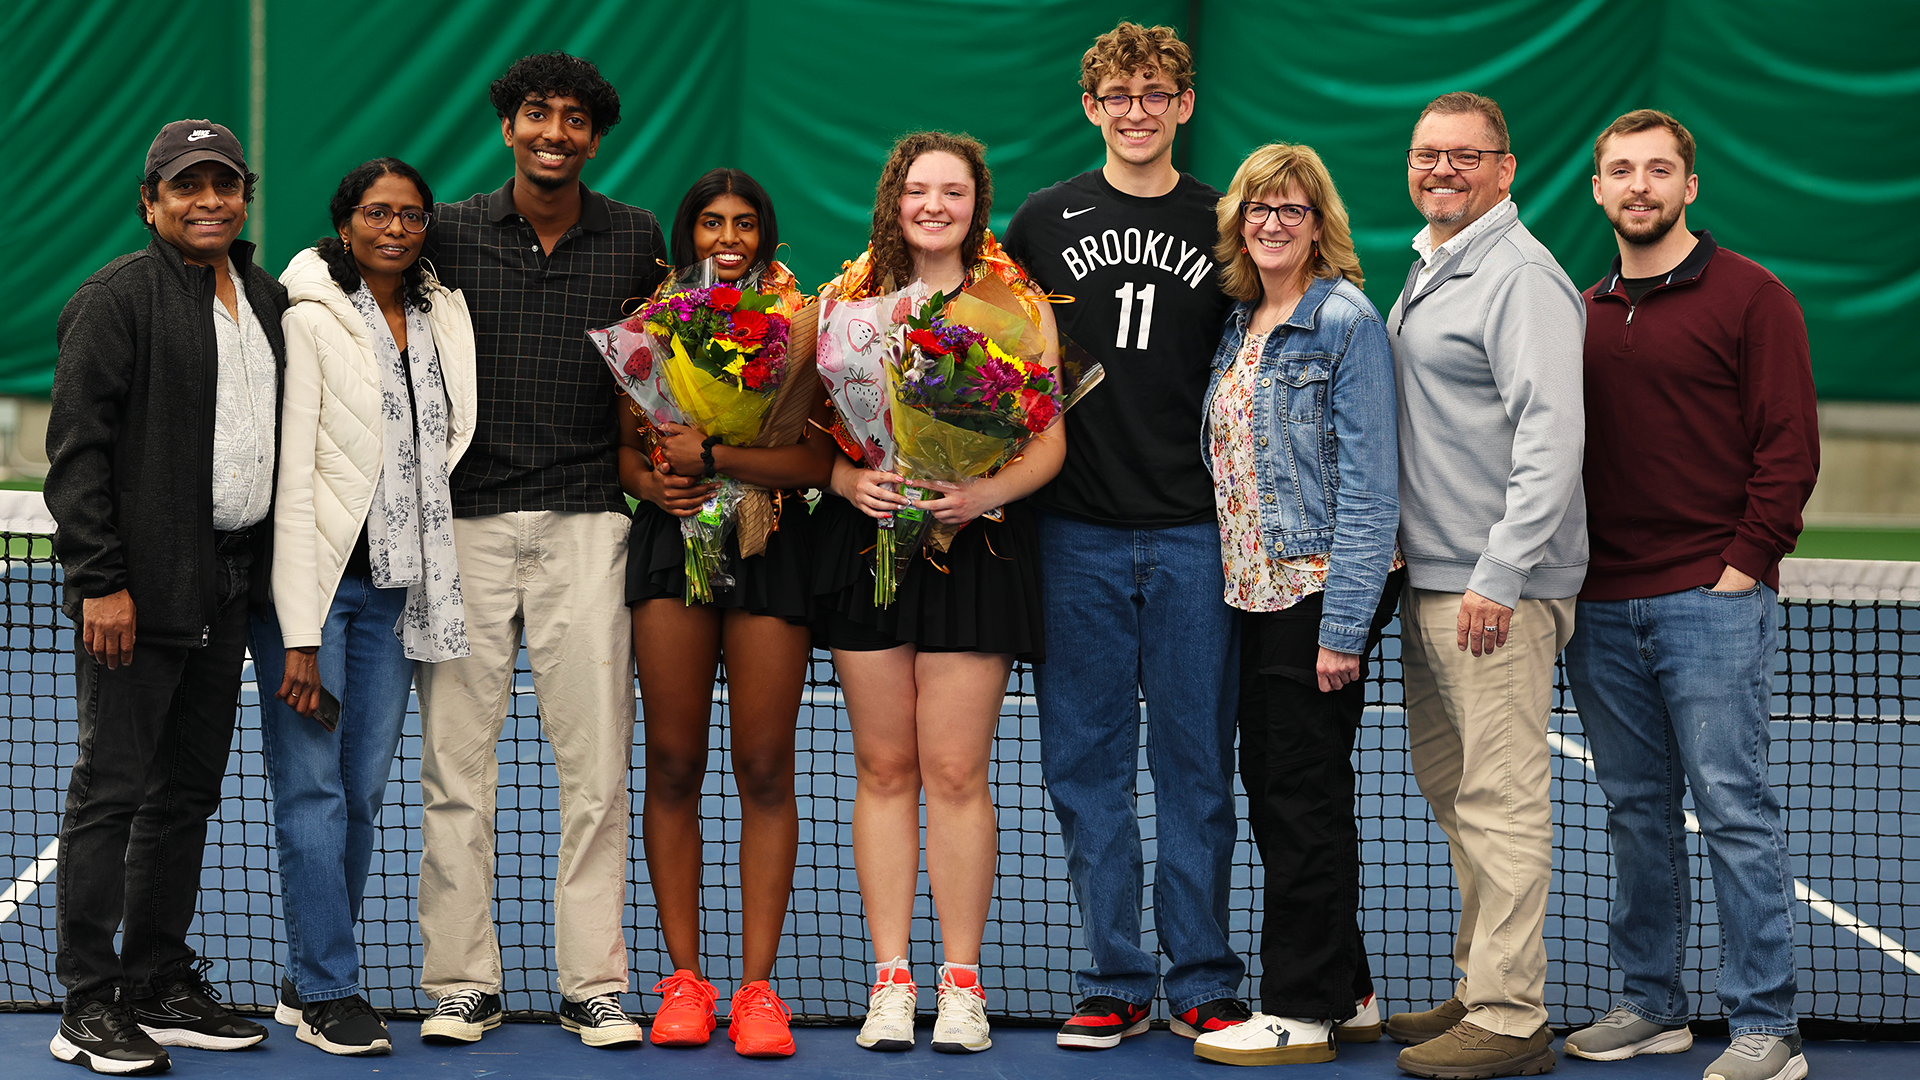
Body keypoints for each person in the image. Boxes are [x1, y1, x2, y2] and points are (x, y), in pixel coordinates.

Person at [412, 51, 667, 1048]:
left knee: (597, 769)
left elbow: (660, 377)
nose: (553, 132)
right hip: (464, 531)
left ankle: (594, 982)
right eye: (535, 114)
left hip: (590, 526)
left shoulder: (636, 238)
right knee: (454, 770)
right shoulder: (449, 233)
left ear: (594, 137)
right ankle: (462, 983)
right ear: (508, 126)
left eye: (573, 119)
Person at [1000, 21, 1246, 1049]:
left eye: (1155, 94)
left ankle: (1202, 975)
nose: (1136, 111)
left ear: (1184, 105)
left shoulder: (1227, 219)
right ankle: (1112, 975)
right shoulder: (1043, 220)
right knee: (1084, 769)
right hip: (1076, 539)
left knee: (1198, 767)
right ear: (1091, 108)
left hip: (1199, 537)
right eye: (1117, 96)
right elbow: (998, 361)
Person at [1561, 110, 1817, 1080]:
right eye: (1620, 171)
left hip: (1711, 600)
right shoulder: (1578, 312)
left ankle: (1767, 1026)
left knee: (1735, 811)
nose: (1639, 186)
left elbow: (1789, 448)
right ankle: (1651, 1005)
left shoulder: (1755, 298)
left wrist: (1741, 567)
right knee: (1634, 812)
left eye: (1658, 171)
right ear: (1596, 189)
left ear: (1688, 187)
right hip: (1599, 609)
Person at [815, 130, 1064, 1056]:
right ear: (894, 197)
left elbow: (1047, 442)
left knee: (957, 773)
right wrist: (847, 485)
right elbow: (812, 433)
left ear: (976, 203)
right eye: (918, 190)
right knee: (882, 770)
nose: (934, 206)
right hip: (866, 548)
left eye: (952, 192)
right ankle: (890, 982)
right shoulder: (843, 303)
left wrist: (979, 491)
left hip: (977, 551)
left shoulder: (1016, 304)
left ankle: (962, 985)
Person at [44, 118, 283, 1074]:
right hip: (136, 595)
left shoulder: (263, 300)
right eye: (188, 186)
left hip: (228, 588)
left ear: (244, 197)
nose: (209, 200)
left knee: (186, 797)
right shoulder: (115, 298)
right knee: (111, 795)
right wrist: (101, 584)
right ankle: (86, 1004)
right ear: (152, 202)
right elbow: (77, 457)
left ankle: (155, 980)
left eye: (224, 183)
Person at [1383, 92, 1587, 1080]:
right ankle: (1479, 982)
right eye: (1430, 154)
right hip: (1435, 581)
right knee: (1456, 792)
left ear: (1506, 169)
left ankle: (1511, 1017)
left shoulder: (1519, 277)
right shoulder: (1436, 267)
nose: (1444, 169)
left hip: (1491, 591)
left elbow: (1552, 435)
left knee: (1501, 800)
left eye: (1467, 156)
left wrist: (1500, 572)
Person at [253, 158, 477, 1056]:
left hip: (399, 585)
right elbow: (295, 482)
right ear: (344, 223)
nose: (396, 228)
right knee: (309, 785)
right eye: (377, 213)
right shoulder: (306, 320)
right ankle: (328, 988)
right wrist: (299, 634)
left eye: (413, 215)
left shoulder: (440, 313)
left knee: (362, 790)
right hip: (315, 587)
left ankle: (310, 975)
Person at [1186, 144, 1403, 1067]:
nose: (1272, 225)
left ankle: (1297, 1012)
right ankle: (1347, 993)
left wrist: (1343, 630)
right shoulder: (1242, 321)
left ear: (1321, 223)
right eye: (1258, 210)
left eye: (1292, 209)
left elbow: (1371, 489)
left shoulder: (1345, 321)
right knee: (1286, 798)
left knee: (1300, 802)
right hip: (1255, 593)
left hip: (1319, 594)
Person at [617, 168, 834, 1058]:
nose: (729, 237)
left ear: (767, 235)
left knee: (764, 766)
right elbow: (621, 452)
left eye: (746, 223)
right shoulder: (649, 321)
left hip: (771, 548)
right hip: (673, 548)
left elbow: (820, 461)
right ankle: (683, 981)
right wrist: (659, 482)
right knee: (670, 763)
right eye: (712, 222)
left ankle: (755, 991)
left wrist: (716, 449)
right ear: (688, 234)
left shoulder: (807, 324)